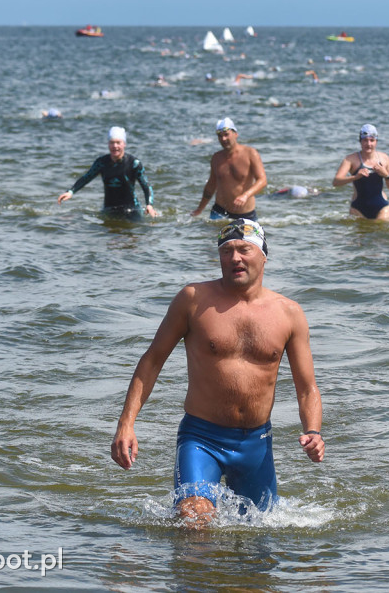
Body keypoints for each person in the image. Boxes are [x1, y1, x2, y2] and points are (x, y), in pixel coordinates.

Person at [110, 220, 324, 523]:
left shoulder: (288, 313)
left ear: (263, 256)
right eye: (226, 251)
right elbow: (152, 360)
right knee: (194, 524)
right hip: (201, 438)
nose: (235, 258)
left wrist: (313, 431)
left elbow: (307, 388)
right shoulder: (193, 300)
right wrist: (126, 423)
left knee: (259, 550)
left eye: (244, 250)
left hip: (257, 444)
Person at [57, 126, 158, 220]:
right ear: (108, 144)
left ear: (124, 144)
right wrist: (71, 192)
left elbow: (146, 186)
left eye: (118, 142)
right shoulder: (101, 163)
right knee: (107, 237)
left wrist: (149, 205)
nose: (115, 146)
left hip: (132, 210)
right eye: (112, 142)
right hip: (108, 209)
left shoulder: (134, 163)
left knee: (131, 237)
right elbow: (86, 178)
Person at [190, 117, 267, 221]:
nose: (223, 139)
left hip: (245, 214)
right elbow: (211, 185)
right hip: (219, 212)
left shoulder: (250, 153)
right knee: (212, 237)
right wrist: (199, 209)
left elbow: (262, 180)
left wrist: (245, 195)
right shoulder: (216, 158)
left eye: (226, 135)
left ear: (235, 134)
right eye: (220, 136)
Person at [332, 123, 389, 220]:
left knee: (382, 233)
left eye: (372, 140)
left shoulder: (384, 158)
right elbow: (336, 182)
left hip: (382, 207)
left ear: (376, 142)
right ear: (360, 141)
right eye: (365, 140)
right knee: (360, 234)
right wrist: (355, 177)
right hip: (358, 208)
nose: (368, 144)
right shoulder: (350, 159)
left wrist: (385, 175)